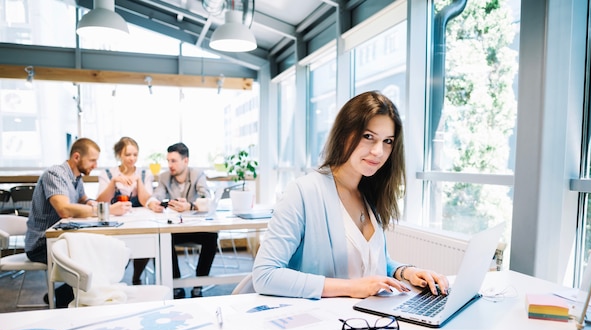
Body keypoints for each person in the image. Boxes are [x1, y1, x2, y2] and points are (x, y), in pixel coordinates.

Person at [252, 91, 449, 299]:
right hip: (324, 323)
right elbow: (265, 275)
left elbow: (368, 261)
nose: (378, 151)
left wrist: (406, 272)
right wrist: (352, 288)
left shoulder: (370, 191)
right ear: (344, 134)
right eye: (368, 137)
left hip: (371, 321)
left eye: (387, 141)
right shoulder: (303, 192)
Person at [25, 137, 132, 307]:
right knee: (104, 254)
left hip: (63, 238)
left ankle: (67, 296)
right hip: (42, 243)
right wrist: (106, 210)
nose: (95, 165)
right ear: (76, 157)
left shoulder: (76, 178)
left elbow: (83, 200)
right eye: (92, 160)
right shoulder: (55, 174)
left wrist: (91, 203)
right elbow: (64, 209)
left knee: (116, 251)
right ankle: (74, 299)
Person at [146, 142, 218, 299]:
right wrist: (153, 204)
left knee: (212, 236)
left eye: (174, 161)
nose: (170, 165)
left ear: (186, 161)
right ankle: (175, 283)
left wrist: (191, 206)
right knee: (161, 237)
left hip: (196, 227)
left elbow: (207, 198)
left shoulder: (197, 174)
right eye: (168, 161)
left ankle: (198, 284)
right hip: (175, 228)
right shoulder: (165, 177)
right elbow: (156, 195)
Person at [97, 136, 154, 285]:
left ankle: (137, 277)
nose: (132, 158)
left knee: (146, 242)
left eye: (135, 154)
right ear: (119, 155)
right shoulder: (108, 174)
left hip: (139, 221)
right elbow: (101, 202)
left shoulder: (144, 173)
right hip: (116, 222)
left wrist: (138, 181)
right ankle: (115, 279)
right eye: (127, 154)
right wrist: (114, 182)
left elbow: (145, 200)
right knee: (117, 248)